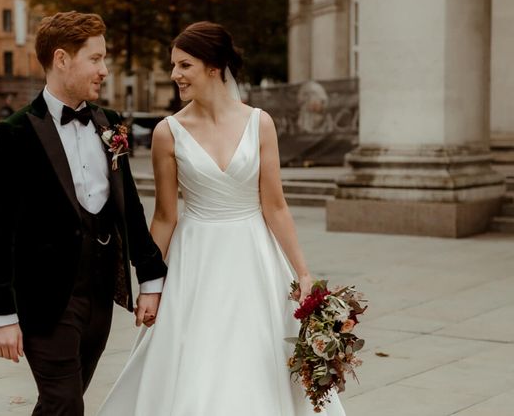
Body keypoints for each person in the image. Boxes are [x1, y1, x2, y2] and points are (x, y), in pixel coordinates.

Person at [98, 22, 346, 415]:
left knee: (256, 361)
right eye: (174, 66)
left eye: (184, 65)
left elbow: (275, 206)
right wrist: (149, 284)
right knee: (198, 362)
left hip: (255, 258)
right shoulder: (168, 132)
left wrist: (302, 271)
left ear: (214, 67)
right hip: (196, 261)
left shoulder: (260, 123)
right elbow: (165, 217)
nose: (175, 74)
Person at [0, 11, 167, 416]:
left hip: (99, 295)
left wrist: (150, 278)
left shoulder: (109, 124)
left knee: (63, 401)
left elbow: (128, 208)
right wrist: (0, 314)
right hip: (45, 300)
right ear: (62, 59)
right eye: (95, 59)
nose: (104, 69)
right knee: (65, 401)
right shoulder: (14, 134)